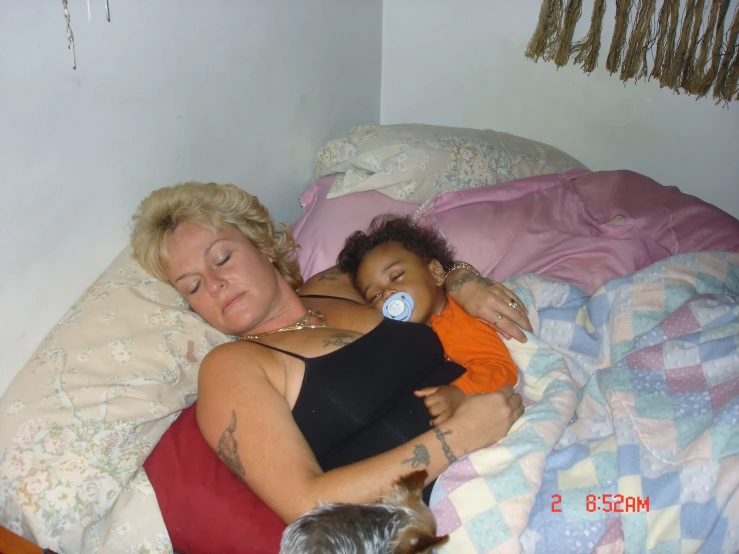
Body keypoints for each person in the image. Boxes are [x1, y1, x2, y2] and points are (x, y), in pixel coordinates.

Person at [130, 181, 532, 523]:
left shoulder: (339, 282)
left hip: (515, 426)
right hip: (442, 508)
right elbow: (305, 504)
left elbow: (421, 267)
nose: (215, 283)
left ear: (264, 246)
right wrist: (456, 439)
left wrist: (464, 280)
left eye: (221, 258)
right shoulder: (230, 368)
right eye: (193, 287)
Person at [337, 215, 519, 426]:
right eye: (375, 296)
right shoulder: (419, 335)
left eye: (396, 277)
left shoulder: (457, 319)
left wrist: (460, 392)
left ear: (436, 272)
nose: (387, 294)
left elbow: (501, 369)